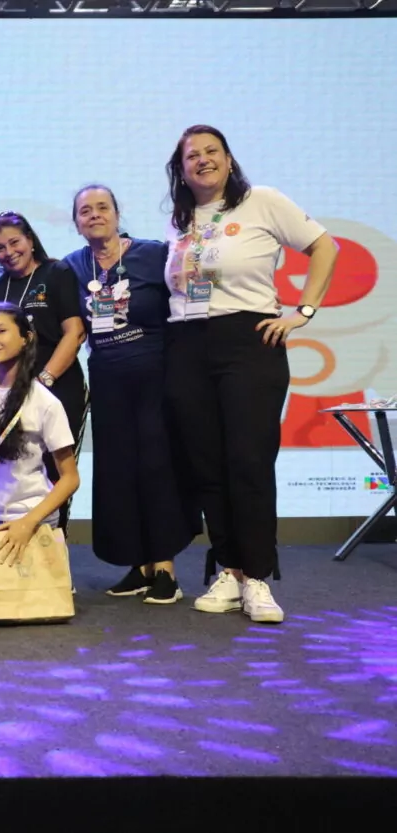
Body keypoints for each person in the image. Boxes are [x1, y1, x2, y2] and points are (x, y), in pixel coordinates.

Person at [163, 125, 337, 624]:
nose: (202, 160)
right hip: (188, 343)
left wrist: (302, 312)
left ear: (229, 159)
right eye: (191, 156)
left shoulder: (261, 201)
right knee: (207, 465)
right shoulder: (180, 220)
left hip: (249, 342)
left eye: (211, 152)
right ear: (181, 169)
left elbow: (325, 247)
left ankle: (258, 576)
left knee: (248, 461)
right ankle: (229, 568)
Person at [62, 185, 195, 604]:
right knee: (119, 471)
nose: (94, 215)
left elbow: (190, 298)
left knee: (158, 467)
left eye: (102, 207)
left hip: (155, 375)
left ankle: (166, 570)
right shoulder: (73, 266)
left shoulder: (154, 254)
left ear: (118, 214)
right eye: (85, 211)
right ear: (77, 222)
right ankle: (137, 566)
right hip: (107, 380)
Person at [0, 302, 81, 621]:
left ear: (26, 338)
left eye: (0, 331)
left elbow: (69, 477)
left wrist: (29, 523)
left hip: (27, 516)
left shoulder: (44, 402)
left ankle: (36, 556)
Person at [0, 212, 87, 458]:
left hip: (57, 388)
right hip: (10, 396)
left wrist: (43, 382)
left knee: (56, 475)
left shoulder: (57, 273)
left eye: (14, 242)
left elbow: (75, 332)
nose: (8, 252)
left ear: (30, 240)